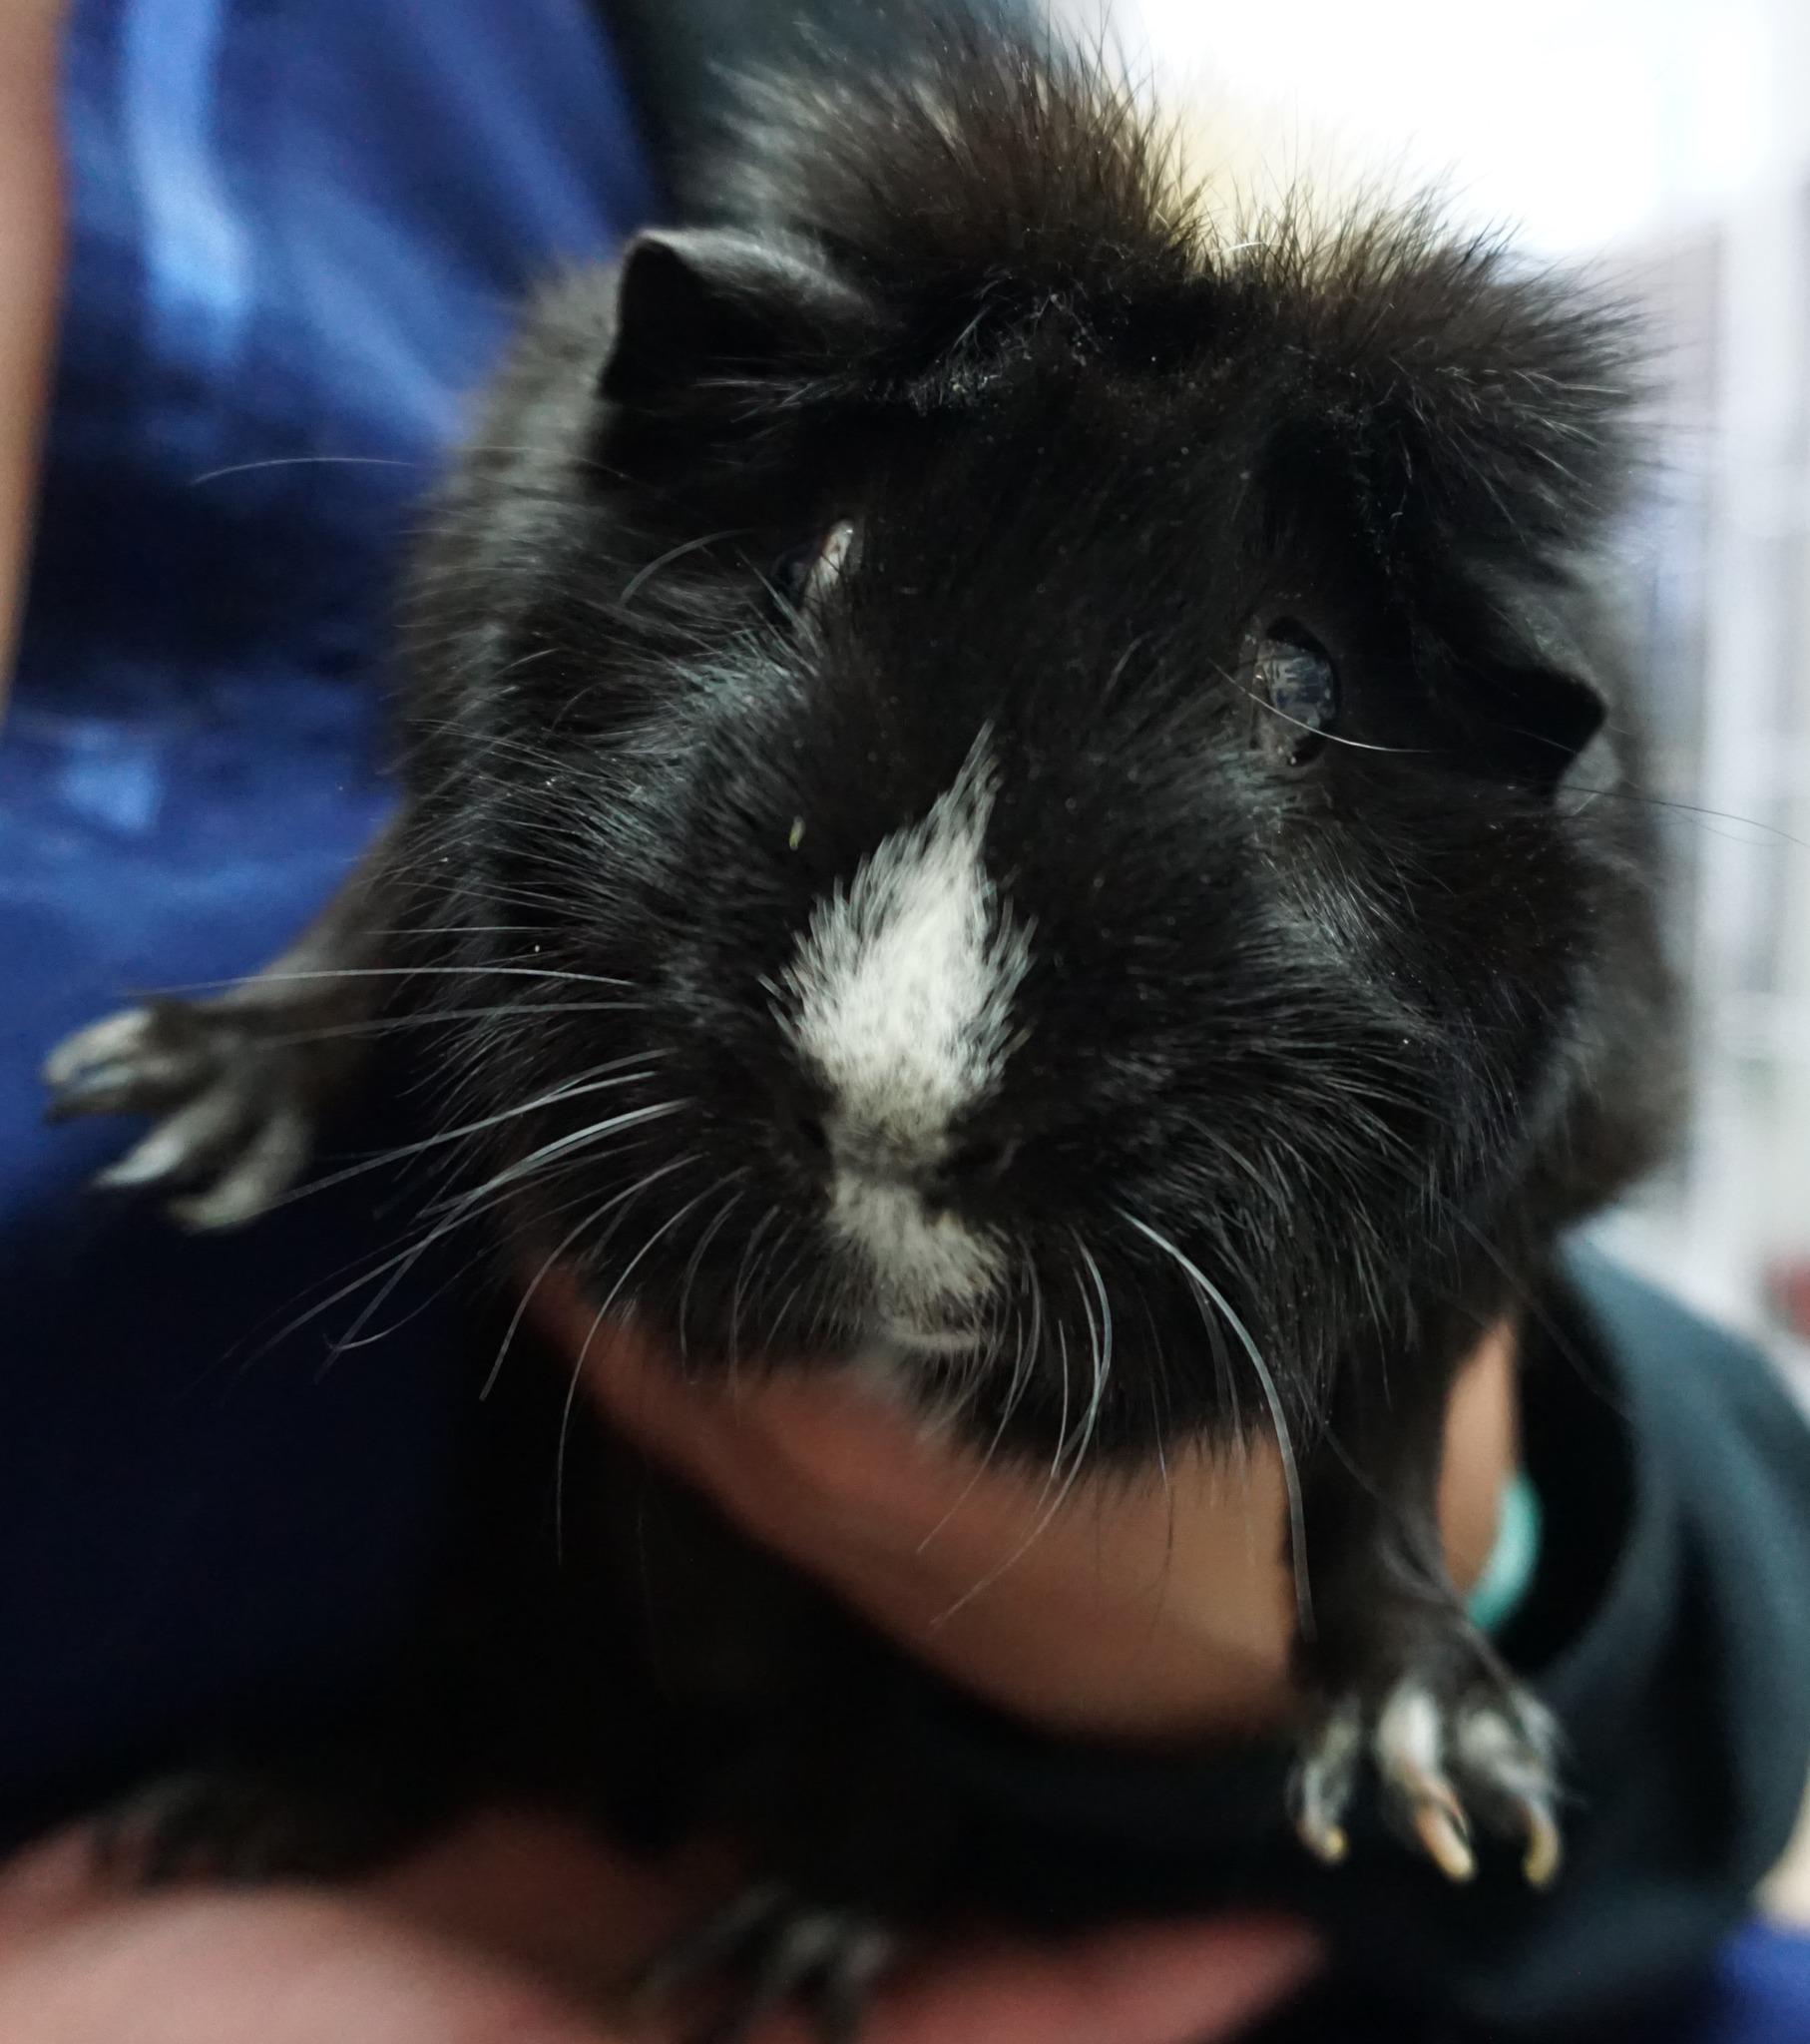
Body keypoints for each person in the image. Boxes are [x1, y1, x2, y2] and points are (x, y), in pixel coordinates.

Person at [2, 4, 1809, 2040]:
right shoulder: (660, 392)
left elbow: (1692, 1610)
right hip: (491, 1762)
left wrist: (1435, 1570)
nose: (897, 1062)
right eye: (844, 576)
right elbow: (477, 764)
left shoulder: (786, 33)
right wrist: (309, 1013)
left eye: (1280, 690)